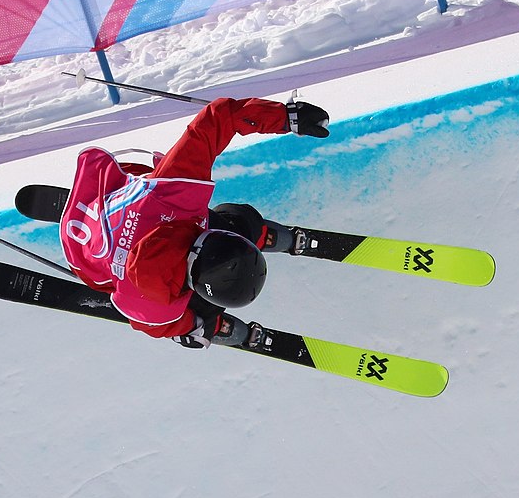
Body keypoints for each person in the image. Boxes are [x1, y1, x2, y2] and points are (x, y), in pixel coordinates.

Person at [59, 97, 329, 348]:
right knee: (231, 221)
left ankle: (213, 324)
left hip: (102, 196)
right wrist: (285, 118)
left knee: (228, 228)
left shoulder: (176, 194)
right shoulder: (148, 300)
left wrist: (193, 327)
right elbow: (151, 325)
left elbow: (217, 118)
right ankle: (251, 242)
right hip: (87, 241)